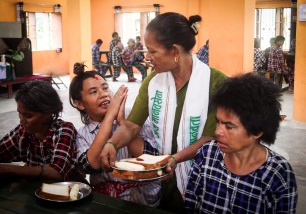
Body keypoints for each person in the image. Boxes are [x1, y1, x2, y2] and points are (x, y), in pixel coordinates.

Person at [100, 12, 227, 213]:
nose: (146, 57)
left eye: (152, 51)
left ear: (175, 51)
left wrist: (175, 159)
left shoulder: (216, 83)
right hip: (166, 178)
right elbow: (133, 125)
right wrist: (112, 143)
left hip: (205, 176)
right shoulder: (153, 83)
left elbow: (211, 137)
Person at [185, 73, 298, 213]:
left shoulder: (277, 174)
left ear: (257, 131)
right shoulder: (207, 154)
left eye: (229, 126)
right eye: (218, 122)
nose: (218, 132)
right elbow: (190, 204)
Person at [69, 62, 161, 207]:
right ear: (80, 104)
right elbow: (91, 165)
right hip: (107, 204)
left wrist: (123, 123)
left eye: (105, 88)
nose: (104, 94)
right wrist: (110, 115)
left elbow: (152, 159)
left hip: (146, 202)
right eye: (94, 92)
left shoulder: (133, 117)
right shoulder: (82, 134)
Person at [0, 80, 84, 181]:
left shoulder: (64, 130)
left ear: (48, 113)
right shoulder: (22, 132)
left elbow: (56, 172)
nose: (21, 120)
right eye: (20, 113)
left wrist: (9, 169)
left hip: (70, 191)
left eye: (28, 116)